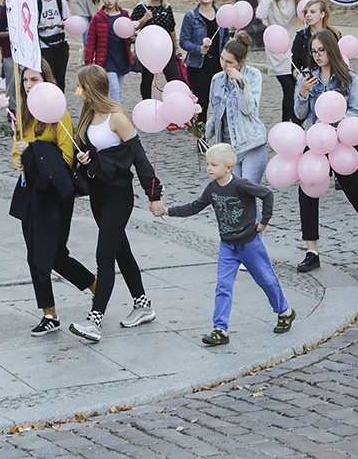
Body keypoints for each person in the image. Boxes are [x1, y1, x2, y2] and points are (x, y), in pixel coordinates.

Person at [156, 143, 295, 346]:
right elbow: (195, 206)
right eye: (208, 164)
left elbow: (267, 194)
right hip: (227, 247)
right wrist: (168, 211)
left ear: (229, 167)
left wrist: (263, 222)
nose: (209, 168)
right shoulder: (212, 189)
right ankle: (220, 329)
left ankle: (284, 311)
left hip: (250, 244)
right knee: (223, 286)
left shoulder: (241, 185)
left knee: (266, 279)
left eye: (214, 164)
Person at [70, 65, 163, 342]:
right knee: (121, 252)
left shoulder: (117, 117)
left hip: (118, 196)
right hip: (98, 195)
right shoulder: (87, 115)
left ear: (92, 88)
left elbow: (139, 158)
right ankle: (143, 305)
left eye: (81, 87)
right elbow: (89, 155)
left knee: (104, 256)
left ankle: (95, 321)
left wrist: (153, 195)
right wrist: (84, 159)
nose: (77, 92)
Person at [10, 60, 96, 336]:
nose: (29, 85)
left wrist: (34, 152)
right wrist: (20, 159)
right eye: (25, 80)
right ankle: (49, 312)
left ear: (46, 81)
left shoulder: (57, 112)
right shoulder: (23, 114)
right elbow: (16, 152)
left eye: (34, 80)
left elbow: (66, 156)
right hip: (30, 190)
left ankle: (96, 286)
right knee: (35, 254)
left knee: (56, 254)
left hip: (54, 193)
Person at [294, 30, 358, 273]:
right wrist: (303, 93)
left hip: (342, 142)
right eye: (313, 52)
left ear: (331, 50)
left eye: (321, 50)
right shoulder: (308, 78)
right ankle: (311, 251)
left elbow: (356, 110)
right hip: (315, 141)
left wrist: (336, 122)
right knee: (308, 191)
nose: (317, 56)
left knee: (354, 190)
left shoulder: (348, 78)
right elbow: (300, 114)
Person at [206, 31, 267, 184]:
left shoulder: (253, 76)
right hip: (228, 150)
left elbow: (249, 109)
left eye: (229, 62)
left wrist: (241, 84)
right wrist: (203, 134)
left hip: (250, 144)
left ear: (242, 62)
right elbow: (215, 114)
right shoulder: (217, 79)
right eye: (222, 58)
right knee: (235, 198)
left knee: (247, 195)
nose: (224, 65)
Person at [255, 0, 314, 122]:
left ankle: (289, 121)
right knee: (288, 88)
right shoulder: (272, 1)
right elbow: (260, 14)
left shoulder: (297, 0)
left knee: (294, 87)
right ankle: (292, 122)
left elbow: (314, 4)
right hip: (278, 49)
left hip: (295, 48)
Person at [180, 0, 229, 123]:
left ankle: (221, 138)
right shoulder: (190, 17)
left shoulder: (221, 15)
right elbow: (184, 40)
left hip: (218, 64)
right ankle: (201, 140)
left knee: (220, 102)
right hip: (198, 66)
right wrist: (198, 49)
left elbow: (225, 37)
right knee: (201, 104)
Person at [130, 0, 181, 99]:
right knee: (147, 78)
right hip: (149, 49)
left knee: (173, 76)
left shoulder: (166, 8)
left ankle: (175, 99)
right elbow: (132, 28)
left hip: (166, 47)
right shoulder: (141, 8)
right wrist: (144, 19)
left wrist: (176, 47)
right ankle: (146, 101)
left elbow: (172, 29)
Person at [85, 0, 133, 102]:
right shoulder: (97, 18)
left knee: (119, 88)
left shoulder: (124, 15)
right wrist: (89, 62)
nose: (109, 1)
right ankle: (118, 115)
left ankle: (112, 111)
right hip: (106, 58)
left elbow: (130, 32)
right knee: (114, 88)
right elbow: (91, 41)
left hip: (121, 56)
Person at [290, 0, 340, 83]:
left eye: (312, 12)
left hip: (331, 80)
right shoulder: (301, 36)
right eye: (306, 12)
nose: (308, 15)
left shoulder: (333, 35)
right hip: (310, 82)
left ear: (322, 14)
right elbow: (295, 64)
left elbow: (338, 60)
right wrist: (299, 78)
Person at [37, 0, 71, 91]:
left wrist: (62, 24)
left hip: (60, 42)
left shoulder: (60, 1)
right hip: (45, 44)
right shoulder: (37, 2)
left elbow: (67, 20)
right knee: (49, 76)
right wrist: (44, 26)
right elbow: (34, 24)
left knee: (60, 76)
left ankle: (61, 102)